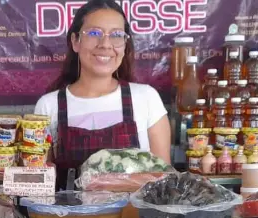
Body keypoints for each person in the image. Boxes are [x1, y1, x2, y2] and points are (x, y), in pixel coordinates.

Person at [34, 0, 171, 189]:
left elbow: (165, 179)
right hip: (71, 217)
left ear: (124, 44)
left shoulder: (146, 98)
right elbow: (40, 180)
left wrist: (104, 182)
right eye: (94, 33)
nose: (105, 44)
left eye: (116, 35)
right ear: (75, 41)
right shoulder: (49, 105)